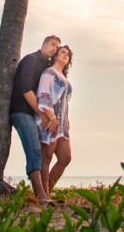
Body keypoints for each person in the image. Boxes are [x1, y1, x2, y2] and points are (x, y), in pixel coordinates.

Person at [10, 35, 60, 204]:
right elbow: (25, 90)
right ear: (44, 44)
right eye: (52, 45)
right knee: (34, 149)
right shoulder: (31, 59)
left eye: (56, 47)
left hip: (30, 112)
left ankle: (43, 193)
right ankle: (41, 195)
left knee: (38, 150)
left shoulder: (45, 66)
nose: (54, 49)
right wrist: (43, 114)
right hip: (21, 111)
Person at [36, 44, 73, 195]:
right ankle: (43, 195)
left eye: (68, 54)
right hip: (50, 120)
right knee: (47, 157)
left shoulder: (63, 77)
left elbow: (64, 101)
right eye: (62, 52)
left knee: (65, 158)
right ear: (56, 55)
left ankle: (44, 193)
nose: (66, 55)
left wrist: (67, 119)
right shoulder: (49, 73)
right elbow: (44, 95)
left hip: (61, 123)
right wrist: (51, 117)